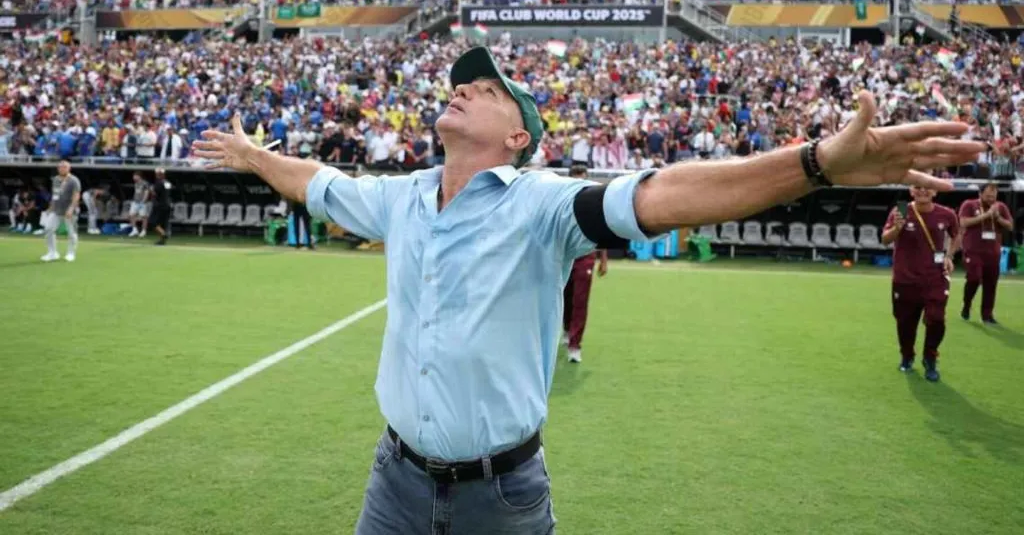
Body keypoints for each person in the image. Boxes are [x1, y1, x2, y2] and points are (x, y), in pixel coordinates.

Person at [193, 46, 981, 534]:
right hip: (392, 485)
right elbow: (320, 183)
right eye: (463, 81)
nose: (464, 87)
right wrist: (253, 153)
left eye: (489, 89)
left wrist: (813, 164)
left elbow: (663, 195)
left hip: (499, 499)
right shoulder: (401, 196)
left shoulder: (540, 203)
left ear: (518, 139)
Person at [881, 186, 961, 382]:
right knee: (905, 323)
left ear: (935, 191)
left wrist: (949, 256)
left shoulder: (947, 214)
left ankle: (930, 357)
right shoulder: (900, 210)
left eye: (928, 187)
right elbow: (884, 239)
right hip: (905, 279)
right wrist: (897, 228)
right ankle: (907, 355)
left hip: (935, 277)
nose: (923, 191)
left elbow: (957, 235)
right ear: (911, 190)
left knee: (936, 319)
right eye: (918, 187)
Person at [562, 164, 608, 364]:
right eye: (578, 178)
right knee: (565, 297)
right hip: (564, 257)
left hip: (585, 257)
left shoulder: (594, 203)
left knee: (580, 301)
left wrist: (603, 259)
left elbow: (602, 231)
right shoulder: (562, 201)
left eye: (584, 178)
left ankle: (575, 345)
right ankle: (566, 329)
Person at [958, 182, 1014, 324]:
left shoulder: (1000, 207)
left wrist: (997, 217)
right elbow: (964, 223)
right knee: (974, 278)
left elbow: (1010, 225)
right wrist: (986, 215)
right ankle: (967, 304)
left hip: (993, 251)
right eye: (988, 195)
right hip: (973, 249)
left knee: (991, 284)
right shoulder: (969, 204)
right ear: (980, 194)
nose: (991, 198)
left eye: (994, 196)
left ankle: (987, 315)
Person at [41, 160, 81, 262]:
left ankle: (71, 253)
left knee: (71, 232)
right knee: (48, 229)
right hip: (56, 210)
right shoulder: (55, 180)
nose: (62, 169)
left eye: (64, 167)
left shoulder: (74, 180)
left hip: (69, 211)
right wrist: (50, 208)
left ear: (69, 168)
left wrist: (71, 209)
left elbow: (76, 196)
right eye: (60, 167)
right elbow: (55, 194)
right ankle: (52, 253)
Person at [149, 168, 172, 246]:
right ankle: (162, 240)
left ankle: (164, 234)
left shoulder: (158, 183)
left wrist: (151, 190)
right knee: (163, 223)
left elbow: (155, 194)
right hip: (167, 205)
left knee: (153, 222)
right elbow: (168, 192)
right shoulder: (167, 182)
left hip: (159, 205)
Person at [128, 171, 151, 238]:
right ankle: (135, 230)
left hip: (142, 203)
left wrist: (143, 201)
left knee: (144, 217)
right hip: (135, 202)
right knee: (131, 215)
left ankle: (144, 231)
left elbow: (147, 192)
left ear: (139, 176)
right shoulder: (136, 183)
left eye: (134, 176)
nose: (133, 177)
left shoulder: (145, 183)